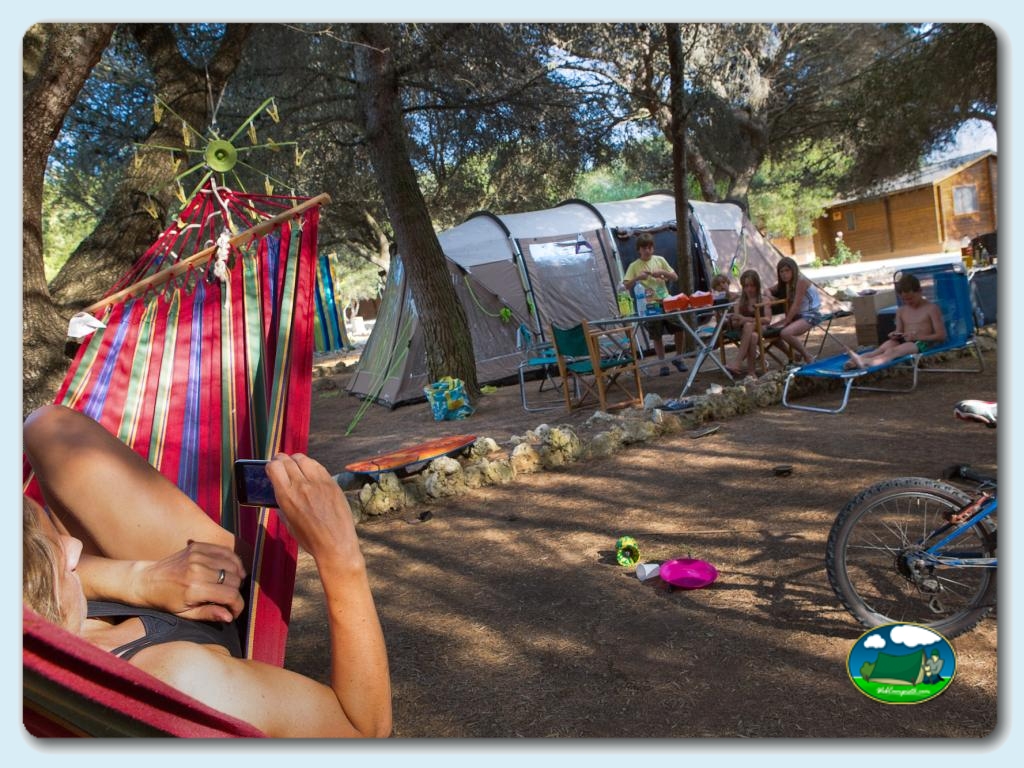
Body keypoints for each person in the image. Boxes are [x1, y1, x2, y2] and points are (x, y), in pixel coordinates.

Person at [22, 404, 392, 738]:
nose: (73, 547)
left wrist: (138, 581)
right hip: (223, 596)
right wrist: (340, 557)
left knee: (46, 426)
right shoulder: (179, 683)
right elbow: (362, 732)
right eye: (50, 553)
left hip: (134, 595)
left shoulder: (30, 666)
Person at [844, 273, 946, 370]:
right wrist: (895, 334)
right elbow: (899, 330)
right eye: (904, 299)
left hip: (922, 343)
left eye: (911, 298)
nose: (908, 302)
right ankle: (853, 361)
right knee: (882, 349)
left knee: (892, 351)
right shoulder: (901, 311)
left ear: (919, 291)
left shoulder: (931, 309)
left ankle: (867, 363)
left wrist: (917, 337)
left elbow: (941, 335)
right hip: (905, 340)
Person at [623, 233, 688, 376]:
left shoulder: (660, 260)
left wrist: (663, 273)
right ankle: (662, 363)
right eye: (644, 248)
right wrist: (638, 277)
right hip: (649, 305)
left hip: (666, 300)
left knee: (679, 328)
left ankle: (678, 357)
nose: (647, 250)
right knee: (656, 334)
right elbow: (626, 285)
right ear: (639, 249)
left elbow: (675, 277)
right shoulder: (634, 266)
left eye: (650, 247)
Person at [767, 256, 821, 365]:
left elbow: (796, 305)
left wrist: (786, 321)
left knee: (785, 333)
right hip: (797, 316)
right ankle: (792, 355)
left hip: (810, 315)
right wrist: (771, 297)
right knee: (768, 332)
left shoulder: (801, 281)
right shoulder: (785, 284)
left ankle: (808, 356)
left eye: (787, 270)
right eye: (781, 271)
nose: (784, 274)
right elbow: (766, 290)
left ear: (794, 270)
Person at [723, 269, 772, 378]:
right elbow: (736, 323)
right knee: (753, 336)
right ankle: (751, 372)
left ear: (757, 286)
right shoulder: (739, 302)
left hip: (761, 328)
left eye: (752, 286)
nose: (749, 289)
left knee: (749, 326)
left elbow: (767, 320)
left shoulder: (764, 299)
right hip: (744, 332)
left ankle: (737, 362)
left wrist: (745, 319)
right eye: (746, 286)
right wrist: (737, 319)